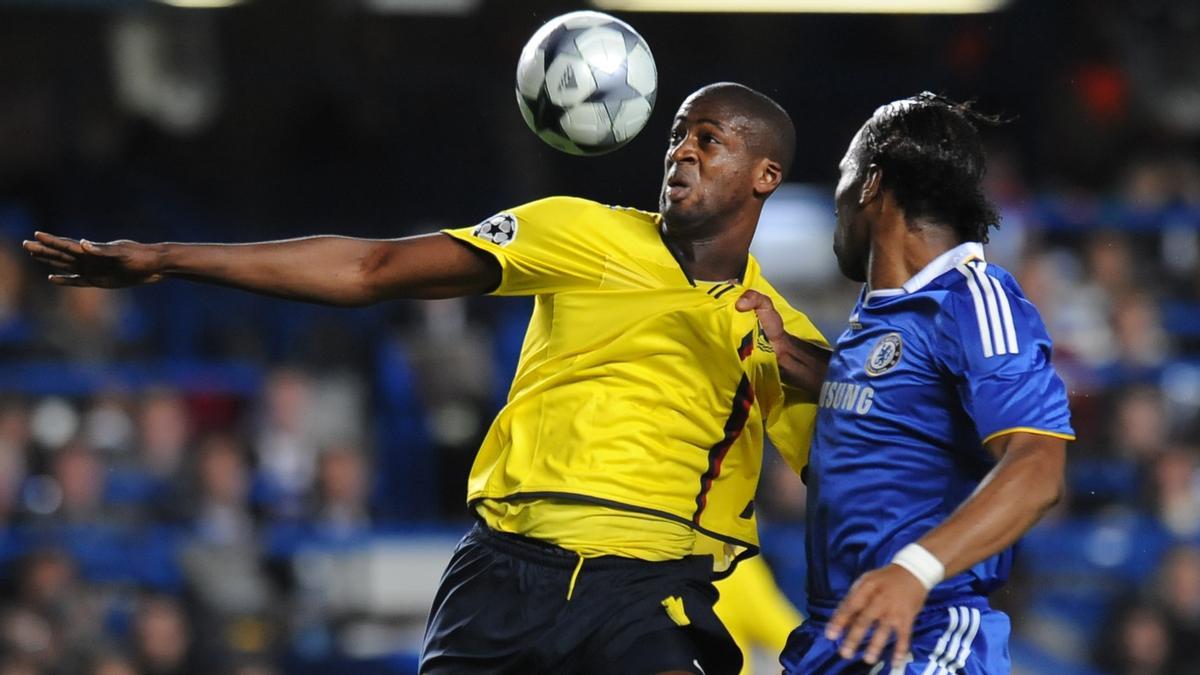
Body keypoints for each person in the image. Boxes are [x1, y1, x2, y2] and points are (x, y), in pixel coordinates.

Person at [24, 82, 831, 675]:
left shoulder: (780, 335)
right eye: (678, 137)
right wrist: (166, 260)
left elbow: (869, 456)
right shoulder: (577, 231)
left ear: (764, 175)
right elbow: (372, 266)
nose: (681, 151)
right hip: (503, 575)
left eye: (710, 140)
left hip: (645, 595)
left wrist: (796, 361)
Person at [741, 93, 1075, 673]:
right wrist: (799, 360)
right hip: (835, 634)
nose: (837, 201)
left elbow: (1038, 465)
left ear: (870, 185)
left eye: (843, 177)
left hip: (924, 633)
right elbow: (905, 405)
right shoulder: (884, 313)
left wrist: (914, 571)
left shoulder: (973, 297)